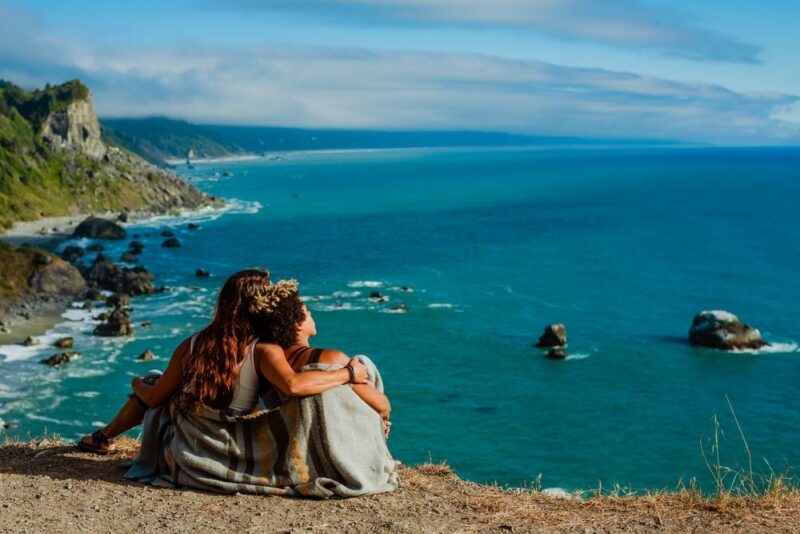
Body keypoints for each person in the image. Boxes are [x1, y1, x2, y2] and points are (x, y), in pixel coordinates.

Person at [78, 268, 369, 455]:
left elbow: (154, 398)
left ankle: (102, 437)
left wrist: (136, 383)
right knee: (157, 382)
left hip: (192, 439)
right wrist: (348, 372)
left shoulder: (192, 344)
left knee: (154, 379)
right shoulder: (264, 349)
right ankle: (102, 437)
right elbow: (293, 384)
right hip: (232, 442)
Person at [252, 278, 392, 438]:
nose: (311, 314)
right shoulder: (331, 358)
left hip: (287, 436)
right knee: (363, 361)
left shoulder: (271, 360)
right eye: (306, 312)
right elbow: (382, 406)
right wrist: (380, 417)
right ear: (297, 324)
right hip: (329, 439)